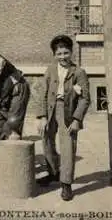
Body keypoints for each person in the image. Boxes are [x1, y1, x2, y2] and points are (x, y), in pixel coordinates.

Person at [36, 35, 90, 201]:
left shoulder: (79, 73)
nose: (63, 57)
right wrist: (42, 116)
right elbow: (42, 93)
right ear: (54, 55)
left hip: (67, 112)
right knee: (46, 139)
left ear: (71, 52)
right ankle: (53, 172)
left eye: (66, 53)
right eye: (59, 54)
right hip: (50, 109)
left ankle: (66, 183)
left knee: (67, 146)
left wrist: (76, 120)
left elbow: (85, 99)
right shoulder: (51, 70)